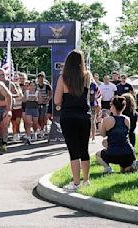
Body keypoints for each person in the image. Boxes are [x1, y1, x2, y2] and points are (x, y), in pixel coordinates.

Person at [54, 50, 91, 192]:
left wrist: (61, 103)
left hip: (68, 116)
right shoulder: (87, 76)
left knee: (73, 150)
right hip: (84, 116)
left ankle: (76, 183)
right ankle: (86, 180)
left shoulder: (63, 78)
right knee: (84, 149)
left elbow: (57, 100)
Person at [96, 97, 136, 173]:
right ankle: (132, 164)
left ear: (113, 107)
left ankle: (108, 168)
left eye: (111, 105)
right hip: (128, 152)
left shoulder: (107, 119)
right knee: (124, 170)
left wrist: (99, 122)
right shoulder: (127, 119)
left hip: (113, 153)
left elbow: (103, 134)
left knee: (98, 155)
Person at [36, 72, 52, 137]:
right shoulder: (35, 85)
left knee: (43, 117)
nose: (41, 79)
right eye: (39, 78)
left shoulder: (47, 86)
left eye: (42, 78)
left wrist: (48, 99)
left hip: (45, 104)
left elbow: (51, 93)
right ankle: (40, 129)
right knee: (38, 117)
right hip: (37, 104)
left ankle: (44, 129)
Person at [88, 72, 102, 143]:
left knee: (92, 121)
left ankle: (93, 138)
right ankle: (87, 136)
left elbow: (99, 95)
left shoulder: (93, 85)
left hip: (92, 105)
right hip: (83, 105)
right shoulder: (81, 84)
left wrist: (98, 104)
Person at [10, 73, 23, 141]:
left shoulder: (20, 88)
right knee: (13, 123)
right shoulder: (10, 87)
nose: (15, 80)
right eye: (14, 78)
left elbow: (21, 97)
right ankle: (14, 134)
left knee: (17, 123)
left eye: (17, 79)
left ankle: (17, 133)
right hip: (12, 108)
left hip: (18, 108)